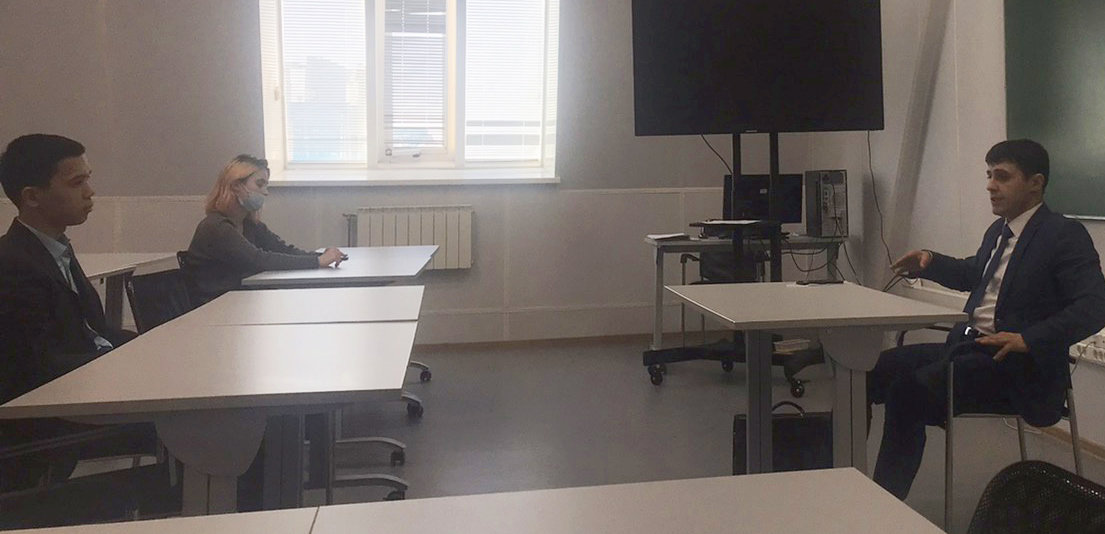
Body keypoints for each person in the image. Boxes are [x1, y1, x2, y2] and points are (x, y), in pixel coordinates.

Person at [868, 139, 1105, 499]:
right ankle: (838, 472)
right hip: (968, 348)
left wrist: (1028, 339)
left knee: (906, 392)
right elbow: (975, 273)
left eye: (1002, 177)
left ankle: (882, 502)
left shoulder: (1063, 235)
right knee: (870, 370)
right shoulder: (999, 231)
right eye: (989, 175)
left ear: (1035, 183)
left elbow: (1094, 305)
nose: (991, 185)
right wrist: (931, 262)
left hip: (1016, 366)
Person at [0, 134, 151, 491]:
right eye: (77, 182)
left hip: (79, 397)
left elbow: (95, 331)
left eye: (88, 179)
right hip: (48, 424)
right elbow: (38, 367)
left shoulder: (55, 248)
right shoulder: (13, 264)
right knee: (199, 425)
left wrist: (149, 347)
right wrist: (123, 364)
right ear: (32, 196)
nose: (90, 192)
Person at [184, 154, 344, 304]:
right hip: (213, 306)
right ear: (236, 186)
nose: (265, 192)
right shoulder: (215, 227)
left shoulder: (250, 225)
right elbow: (259, 260)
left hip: (240, 301)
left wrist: (320, 256)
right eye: (259, 184)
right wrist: (317, 261)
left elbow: (283, 250)